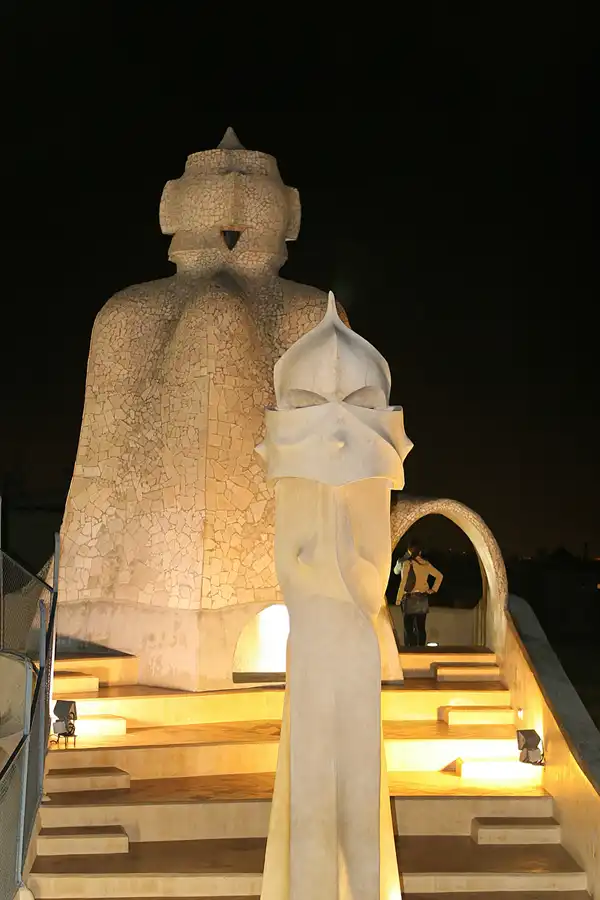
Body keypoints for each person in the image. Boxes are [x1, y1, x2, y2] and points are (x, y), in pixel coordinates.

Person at [393, 542, 443, 647]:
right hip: (422, 598)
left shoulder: (406, 563)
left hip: (409, 598)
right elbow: (439, 576)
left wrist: (398, 599)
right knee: (420, 627)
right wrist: (433, 590)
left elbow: (399, 576)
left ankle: (410, 650)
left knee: (408, 628)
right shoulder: (425, 564)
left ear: (409, 551)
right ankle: (421, 650)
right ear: (420, 552)